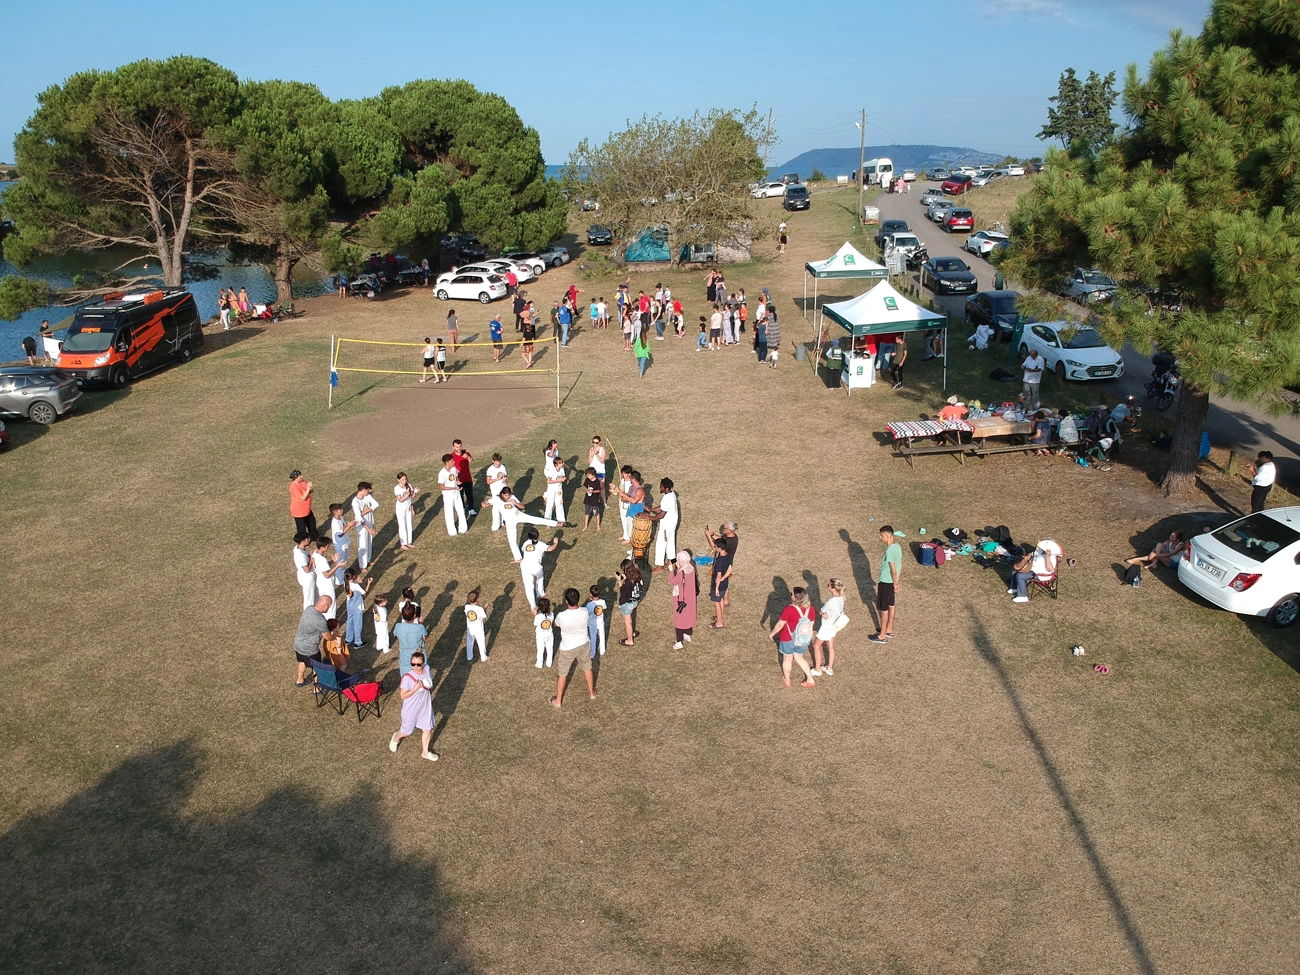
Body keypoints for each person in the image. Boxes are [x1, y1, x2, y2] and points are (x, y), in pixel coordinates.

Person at [389, 652, 438, 763]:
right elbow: (403, 696)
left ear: (423, 663)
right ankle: (396, 738)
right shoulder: (407, 678)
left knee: (427, 729)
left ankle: (425, 752)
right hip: (411, 709)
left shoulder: (427, 669)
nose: (415, 667)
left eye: (418, 664)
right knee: (407, 732)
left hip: (425, 706)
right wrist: (415, 688)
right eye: (413, 664)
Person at [550, 588, 595, 708]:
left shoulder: (562, 616)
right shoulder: (585, 611)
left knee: (562, 674)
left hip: (568, 647)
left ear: (566, 601)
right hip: (584, 643)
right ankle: (591, 693)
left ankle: (558, 701)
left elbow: (556, 624)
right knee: (587, 668)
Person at [491, 487, 560, 561]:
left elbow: (522, 507)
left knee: (534, 519)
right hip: (509, 521)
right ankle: (518, 558)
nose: (507, 497)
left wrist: (515, 503)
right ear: (502, 494)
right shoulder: (496, 499)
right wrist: (484, 504)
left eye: (508, 495)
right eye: (506, 495)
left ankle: (556, 523)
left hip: (517, 515)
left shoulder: (512, 497)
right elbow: (486, 503)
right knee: (512, 540)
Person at [769, 587, 817, 688]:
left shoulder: (789, 609)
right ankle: (810, 679)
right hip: (802, 640)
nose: (790, 595)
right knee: (800, 658)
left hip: (788, 638)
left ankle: (787, 680)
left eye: (792, 594)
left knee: (787, 659)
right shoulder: (811, 609)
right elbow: (811, 624)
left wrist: (772, 634)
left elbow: (780, 624)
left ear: (795, 597)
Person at [868, 526, 902, 642]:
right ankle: (889, 629)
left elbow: (893, 569)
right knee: (891, 605)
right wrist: (896, 582)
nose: (880, 537)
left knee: (884, 609)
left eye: (881, 535)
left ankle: (882, 635)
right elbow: (900, 565)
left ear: (887, 536)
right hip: (891, 582)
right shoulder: (898, 547)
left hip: (886, 582)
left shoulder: (889, 551)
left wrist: (895, 583)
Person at [293, 595, 332, 687]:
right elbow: (327, 637)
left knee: (302, 661)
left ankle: (299, 681)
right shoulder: (320, 620)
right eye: (329, 606)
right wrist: (334, 637)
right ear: (325, 606)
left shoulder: (309, 609)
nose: (329, 608)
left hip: (298, 644)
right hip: (309, 649)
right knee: (317, 667)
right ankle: (318, 687)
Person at [704, 523, 737, 628]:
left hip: (718, 585)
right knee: (721, 600)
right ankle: (720, 618)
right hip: (724, 582)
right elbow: (729, 569)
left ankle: (719, 623)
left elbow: (718, 576)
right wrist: (723, 578)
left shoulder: (719, 561)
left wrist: (717, 588)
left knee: (716, 602)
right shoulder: (728, 555)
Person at [811, 578, 846, 676]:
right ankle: (829, 668)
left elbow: (821, 611)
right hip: (834, 626)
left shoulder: (831, 601)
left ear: (833, 588)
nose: (828, 586)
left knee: (816, 646)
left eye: (829, 585)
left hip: (826, 627)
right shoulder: (841, 598)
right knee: (831, 647)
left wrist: (822, 614)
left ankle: (817, 670)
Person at [520, 527, 558, 612]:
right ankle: (539, 595)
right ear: (537, 535)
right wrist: (555, 543)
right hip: (536, 566)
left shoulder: (526, 543)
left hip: (525, 565)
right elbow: (550, 549)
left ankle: (533, 606)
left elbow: (523, 551)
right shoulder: (540, 544)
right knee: (539, 580)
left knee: (528, 587)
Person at [669, 550, 698, 649]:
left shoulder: (681, 572)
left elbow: (673, 581)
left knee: (679, 619)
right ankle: (687, 633)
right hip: (690, 598)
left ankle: (679, 641)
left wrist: (671, 571)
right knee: (688, 615)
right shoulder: (691, 568)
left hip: (681, 598)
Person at [648, 477, 678, 571]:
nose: (660, 488)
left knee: (661, 544)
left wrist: (649, 518)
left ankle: (660, 566)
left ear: (666, 488)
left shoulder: (667, 498)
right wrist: (651, 509)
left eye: (661, 486)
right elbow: (662, 507)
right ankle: (672, 561)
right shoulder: (672, 494)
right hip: (672, 524)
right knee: (670, 542)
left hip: (666, 525)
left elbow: (661, 515)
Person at [437, 453, 469, 536]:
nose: (454, 462)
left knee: (461, 511)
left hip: (456, 493)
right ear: (447, 462)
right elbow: (442, 487)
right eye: (452, 461)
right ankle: (452, 532)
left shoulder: (453, 468)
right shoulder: (442, 473)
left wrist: (457, 482)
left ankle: (463, 529)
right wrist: (453, 488)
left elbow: (456, 477)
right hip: (448, 496)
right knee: (449, 513)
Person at [312, 537, 343, 620]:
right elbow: (327, 574)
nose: (328, 548)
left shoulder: (315, 554)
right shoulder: (321, 559)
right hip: (327, 585)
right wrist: (337, 566)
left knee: (323, 603)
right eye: (327, 546)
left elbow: (323, 568)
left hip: (320, 583)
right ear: (322, 547)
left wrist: (332, 561)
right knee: (330, 605)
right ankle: (331, 622)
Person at [615, 558, 645, 646]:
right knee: (629, 620)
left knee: (628, 622)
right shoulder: (638, 574)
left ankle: (630, 640)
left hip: (627, 603)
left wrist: (619, 581)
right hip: (636, 600)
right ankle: (632, 633)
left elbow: (623, 591)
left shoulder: (628, 582)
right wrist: (625, 577)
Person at [392, 602, 427, 674]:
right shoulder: (420, 627)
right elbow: (425, 638)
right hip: (418, 655)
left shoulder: (398, 626)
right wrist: (421, 623)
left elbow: (397, 635)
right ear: (414, 616)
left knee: (406, 676)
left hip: (404, 656)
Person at [351, 482, 379, 570]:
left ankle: (368, 560)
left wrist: (367, 510)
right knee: (363, 544)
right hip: (362, 526)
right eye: (367, 490)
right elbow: (359, 517)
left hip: (369, 522)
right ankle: (362, 565)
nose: (368, 492)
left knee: (369, 542)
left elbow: (376, 504)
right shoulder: (355, 502)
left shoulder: (367, 496)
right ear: (363, 490)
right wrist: (368, 529)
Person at [343, 568, 371, 648]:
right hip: (357, 607)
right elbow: (364, 593)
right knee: (357, 625)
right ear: (354, 576)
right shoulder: (355, 586)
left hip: (350, 606)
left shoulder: (345, 584)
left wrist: (357, 581)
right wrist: (368, 583)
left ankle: (348, 639)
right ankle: (358, 642)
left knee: (349, 622)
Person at [394, 472, 419, 550]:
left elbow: (413, 496)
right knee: (402, 525)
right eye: (402, 480)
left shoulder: (409, 485)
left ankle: (409, 542)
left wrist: (415, 492)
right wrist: (407, 494)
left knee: (409, 524)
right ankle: (403, 543)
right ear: (398, 480)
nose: (404, 481)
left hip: (408, 508)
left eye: (405, 479)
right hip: (400, 509)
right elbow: (400, 500)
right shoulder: (397, 488)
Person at [462, 589, 489, 663]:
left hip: (470, 628)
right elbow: (483, 617)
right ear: (477, 600)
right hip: (478, 629)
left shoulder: (466, 607)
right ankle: (483, 657)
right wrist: (485, 608)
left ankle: (469, 656)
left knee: (469, 642)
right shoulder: (480, 609)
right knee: (481, 643)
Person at [289, 470, 317, 539]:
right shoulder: (293, 486)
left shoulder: (303, 481)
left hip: (307, 509)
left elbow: (309, 491)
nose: (302, 477)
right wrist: (308, 488)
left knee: (312, 523)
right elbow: (303, 498)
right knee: (301, 527)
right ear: (295, 478)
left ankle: (315, 536)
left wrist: (310, 488)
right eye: (300, 476)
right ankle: (303, 540)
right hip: (299, 511)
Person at [544, 451, 569, 524]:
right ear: (556, 464)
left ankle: (561, 520)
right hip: (551, 489)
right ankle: (547, 521)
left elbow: (563, 477)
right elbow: (548, 481)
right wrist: (558, 480)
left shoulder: (561, 469)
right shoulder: (552, 470)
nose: (562, 464)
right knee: (550, 504)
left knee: (559, 504)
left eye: (562, 463)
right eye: (560, 463)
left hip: (559, 489)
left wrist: (562, 479)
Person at [485, 453, 509, 530]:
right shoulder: (490, 469)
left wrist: (504, 479)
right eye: (496, 462)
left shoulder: (502, 467)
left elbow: (505, 476)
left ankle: (502, 522)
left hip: (503, 489)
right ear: (493, 461)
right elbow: (488, 481)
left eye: (499, 461)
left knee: (503, 505)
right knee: (496, 508)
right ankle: (495, 526)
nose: (498, 463)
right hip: (495, 490)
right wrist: (498, 479)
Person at [292, 534, 317, 610]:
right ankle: (308, 614)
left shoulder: (297, 548)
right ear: (302, 541)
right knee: (309, 599)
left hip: (303, 576)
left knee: (312, 596)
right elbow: (307, 570)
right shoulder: (300, 555)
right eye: (307, 538)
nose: (309, 539)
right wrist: (311, 558)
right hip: (308, 578)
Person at [452, 440, 475, 516]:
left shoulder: (466, 453)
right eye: (457, 447)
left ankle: (471, 509)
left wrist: (468, 457)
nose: (459, 448)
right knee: (460, 495)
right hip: (458, 480)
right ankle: (462, 508)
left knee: (469, 494)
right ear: (453, 447)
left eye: (460, 446)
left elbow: (472, 461)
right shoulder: (451, 456)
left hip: (467, 478)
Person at [533, 596, 555, 668]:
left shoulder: (538, 617)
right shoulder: (552, 614)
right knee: (550, 649)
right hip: (549, 634)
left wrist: (535, 614)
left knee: (540, 649)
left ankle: (539, 664)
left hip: (540, 635)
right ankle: (549, 663)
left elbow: (535, 624)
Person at [586, 584, 608, 658]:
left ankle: (592, 653)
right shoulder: (603, 601)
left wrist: (589, 601)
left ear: (591, 594)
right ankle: (602, 650)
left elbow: (587, 612)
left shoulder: (590, 604)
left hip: (592, 624)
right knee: (601, 636)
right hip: (600, 622)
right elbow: (604, 609)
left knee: (593, 638)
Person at [1022, 348, 1044, 412]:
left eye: (1032, 355)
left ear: (1036, 355)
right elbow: (1023, 365)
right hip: (1026, 379)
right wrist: (1023, 367)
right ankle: (1026, 407)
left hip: (1035, 380)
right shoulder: (1028, 358)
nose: (1031, 357)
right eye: (1030, 355)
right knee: (1026, 394)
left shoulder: (1040, 360)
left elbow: (1040, 369)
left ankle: (1036, 408)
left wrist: (1032, 370)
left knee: (1035, 395)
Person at [582, 467, 603, 531]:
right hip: (587, 499)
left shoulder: (597, 481)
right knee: (587, 512)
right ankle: (585, 525)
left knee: (596, 512)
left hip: (594, 499)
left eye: (589, 475)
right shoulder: (587, 480)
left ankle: (598, 525)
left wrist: (592, 491)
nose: (588, 476)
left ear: (593, 474)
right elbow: (585, 487)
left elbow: (599, 490)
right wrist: (587, 490)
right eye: (587, 475)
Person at [589, 435, 608, 500]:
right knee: (592, 486)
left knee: (601, 487)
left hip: (600, 471)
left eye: (596, 443)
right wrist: (591, 455)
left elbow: (602, 461)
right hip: (592, 471)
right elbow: (590, 462)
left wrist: (596, 454)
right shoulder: (591, 449)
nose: (594, 444)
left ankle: (604, 502)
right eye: (593, 442)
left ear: (599, 442)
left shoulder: (602, 450)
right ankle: (594, 500)